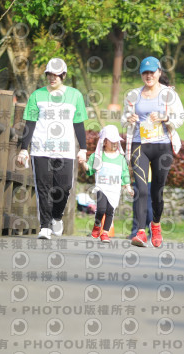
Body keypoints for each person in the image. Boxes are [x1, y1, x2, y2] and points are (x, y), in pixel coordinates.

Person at [17, 58, 88, 239]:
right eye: (50, 74)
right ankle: (45, 226)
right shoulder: (37, 95)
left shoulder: (75, 95)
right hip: (41, 148)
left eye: (57, 74)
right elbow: (30, 124)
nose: (53, 78)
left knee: (63, 187)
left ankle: (57, 216)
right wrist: (24, 148)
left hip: (65, 149)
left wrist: (83, 149)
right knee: (43, 187)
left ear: (63, 75)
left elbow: (78, 124)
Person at [121, 56, 184, 248]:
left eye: (152, 72)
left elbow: (180, 117)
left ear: (159, 73)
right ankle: (141, 231)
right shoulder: (133, 95)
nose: (148, 76)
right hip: (140, 146)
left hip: (162, 147)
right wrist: (128, 119)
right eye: (145, 73)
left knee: (157, 191)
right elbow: (123, 118)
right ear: (141, 74)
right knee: (141, 189)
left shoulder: (168, 95)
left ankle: (155, 225)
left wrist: (165, 118)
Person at [79, 125, 134, 243]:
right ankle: (97, 225)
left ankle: (105, 233)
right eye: (112, 141)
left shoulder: (121, 158)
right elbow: (89, 169)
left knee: (110, 211)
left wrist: (128, 187)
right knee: (101, 209)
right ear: (104, 142)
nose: (115, 143)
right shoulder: (98, 156)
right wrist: (83, 163)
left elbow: (124, 173)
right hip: (102, 188)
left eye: (116, 141)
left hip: (114, 190)